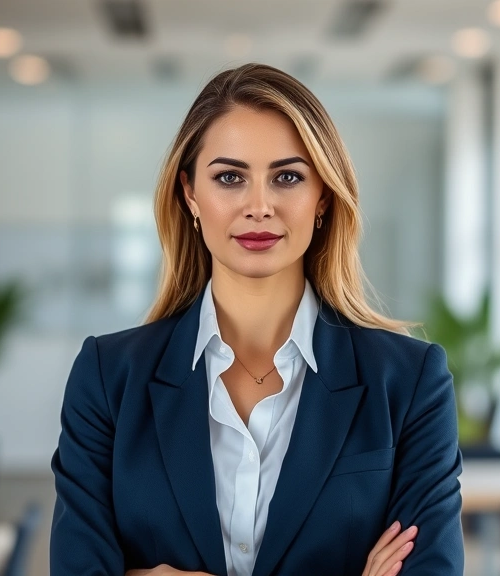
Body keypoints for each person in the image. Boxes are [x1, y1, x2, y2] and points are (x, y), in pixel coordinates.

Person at [50, 63, 464, 576]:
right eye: (229, 177)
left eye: (287, 177)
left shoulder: (408, 381)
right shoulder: (108, 378)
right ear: (190, 195)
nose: (259, 206)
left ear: (323, 199)